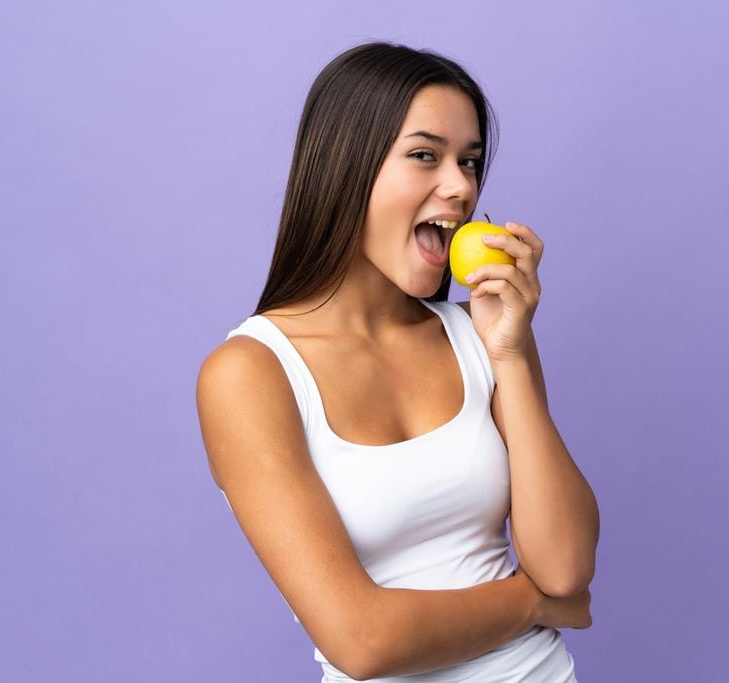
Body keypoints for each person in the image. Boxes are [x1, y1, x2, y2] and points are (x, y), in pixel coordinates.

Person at [196, 41, 600, 682]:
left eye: (469, 162)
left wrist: (511, 354)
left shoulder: (482, 336)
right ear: (345, 170)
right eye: (424, 156)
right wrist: (533, 602)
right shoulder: (250, 374)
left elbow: (568, 566)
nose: (461, 186)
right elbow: (362, 641)